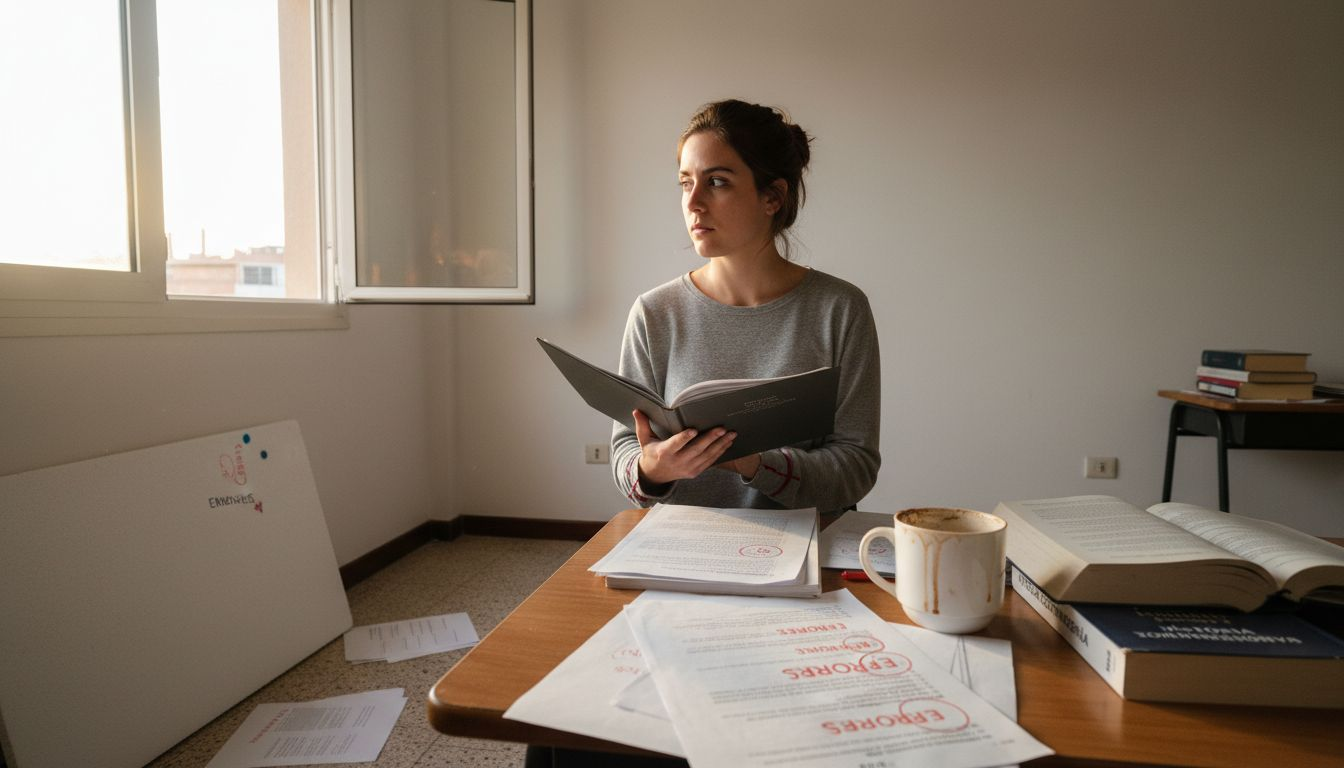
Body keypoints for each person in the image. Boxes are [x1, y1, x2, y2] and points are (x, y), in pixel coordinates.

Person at [610, 99, 881, 513]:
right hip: (683, 548)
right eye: (686, 183)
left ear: (772, 197)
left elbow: (855, 468)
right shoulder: (654, 313)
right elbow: (626, 456)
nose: (694, 202)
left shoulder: (840, 310)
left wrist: (754, 464)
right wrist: (652, 467)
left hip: (805, 550)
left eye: (716, 181)